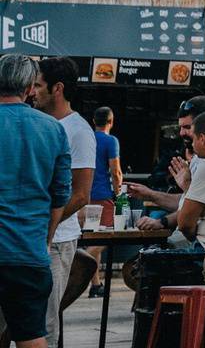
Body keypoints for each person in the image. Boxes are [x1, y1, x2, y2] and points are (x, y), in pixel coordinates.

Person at [0, 53, 71, 348]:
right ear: (30, 87)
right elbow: (61, 195)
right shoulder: (53, 129)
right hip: (29, 254)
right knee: (31, 338)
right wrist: (48, 236)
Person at [24, 57, 94, 348]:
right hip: (24, 237)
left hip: (56, 242)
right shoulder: (33, 123)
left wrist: (46, 224)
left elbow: (81, 195)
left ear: (58, 88)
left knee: (45, 324)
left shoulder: (78, 131)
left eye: (38, 85)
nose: (32, 92)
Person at [134, 108, 205, 249]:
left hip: (204, 247)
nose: (192, 145)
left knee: (144, 261)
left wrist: (192, 238)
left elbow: (185, 223)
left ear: (202, 138)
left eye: (194, 139)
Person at [83, 107, 121, 296]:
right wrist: (119, 192)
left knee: (94, 239)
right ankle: (81, 260)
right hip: (103, 194)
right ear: (111, 122)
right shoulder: (110, 141)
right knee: (109, 235)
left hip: (87, 195)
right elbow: (115, 171)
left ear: (93, 121)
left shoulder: (87, 139)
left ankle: (96, 285)